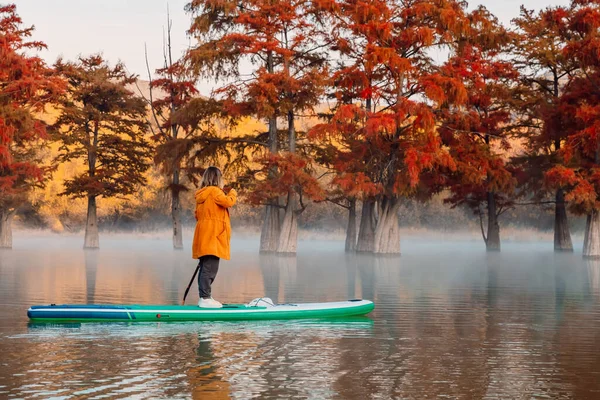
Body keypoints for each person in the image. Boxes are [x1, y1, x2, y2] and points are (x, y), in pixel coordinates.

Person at [192, 166, 237, 308]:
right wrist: (233, 193)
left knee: (205, 266)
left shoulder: (202, 195)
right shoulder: (215, 191)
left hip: (203, 235)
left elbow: (197, 215)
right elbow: (228, 202)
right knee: (210, 267)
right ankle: (205, 298)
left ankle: (205, 297)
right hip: (213, 235)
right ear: (217, 178)